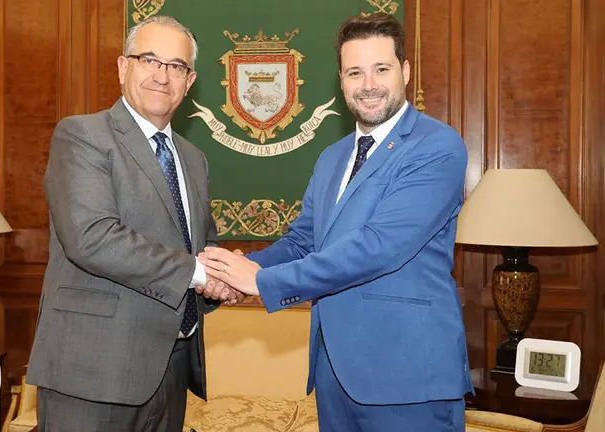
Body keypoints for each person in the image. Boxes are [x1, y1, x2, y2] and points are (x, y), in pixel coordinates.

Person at [198, 12, 474, 432]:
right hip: (334, 375)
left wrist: (262, 282)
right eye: (354, 72)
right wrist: (231, 272)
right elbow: (303, 242)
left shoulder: (437, 147)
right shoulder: (333, 157)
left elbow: (379, 247)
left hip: (408, 378)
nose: (368, 85)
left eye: (381, 69)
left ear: (405, 70)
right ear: (341, 81)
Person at [26, 15, 243, 431]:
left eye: (176, 66)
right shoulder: (83, 135)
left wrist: (223, 278)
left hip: (172, 371)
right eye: (150, 60)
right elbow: (92, 239)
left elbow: (201, 245)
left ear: (190, 80)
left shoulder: (193, 159)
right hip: (94, 374)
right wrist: (200, 273)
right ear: (123, 67)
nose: (162, 76)